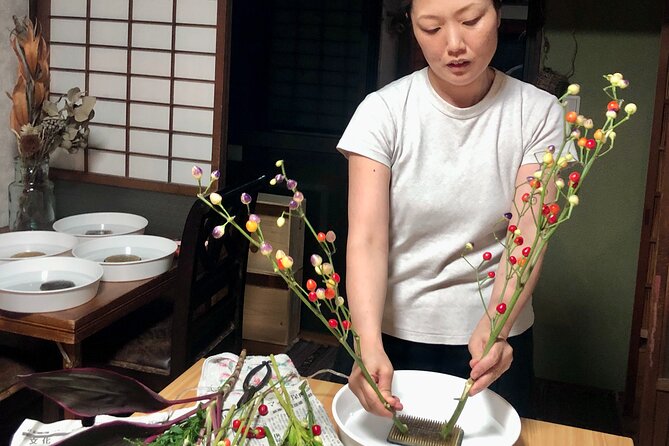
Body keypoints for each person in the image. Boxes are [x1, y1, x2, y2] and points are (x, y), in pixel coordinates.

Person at [335, 0, 567, 419]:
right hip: (390, 336)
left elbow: (528, 234)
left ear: (499, 14)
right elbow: (367, 238)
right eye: (431, 27)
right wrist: (367, 344)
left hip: (494, 339)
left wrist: (497, 325)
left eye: (471, 20)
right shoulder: (382, 112)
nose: (454, 44)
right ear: (412, 26)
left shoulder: (537, 113)